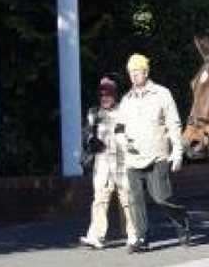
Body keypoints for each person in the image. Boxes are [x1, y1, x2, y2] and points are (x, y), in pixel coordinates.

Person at [116, 53, 191, 253]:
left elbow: (174, 123)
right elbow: (119, 126)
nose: (133, 75)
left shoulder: (161, 94)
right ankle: (142, 237)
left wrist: (177, 151)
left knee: (162, 197)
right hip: (133, 159)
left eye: (137, 71)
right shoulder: (126, 99)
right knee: (135, 200)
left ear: (146, 72)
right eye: (130, 72)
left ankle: (181, 220)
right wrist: (121, 138)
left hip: (157, 155)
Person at [79, 75, 138, 249]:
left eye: (109, 94)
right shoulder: (94, 112)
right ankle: (96, 235)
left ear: (115, 95)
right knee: (100, 198)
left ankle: (134, 234)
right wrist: (91, 140)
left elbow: (131, 134)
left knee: (127, 198)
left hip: (122, 159)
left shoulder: (124, 111)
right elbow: (86, 132)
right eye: (102, 95)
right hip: (102, 160)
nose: (105, 98)